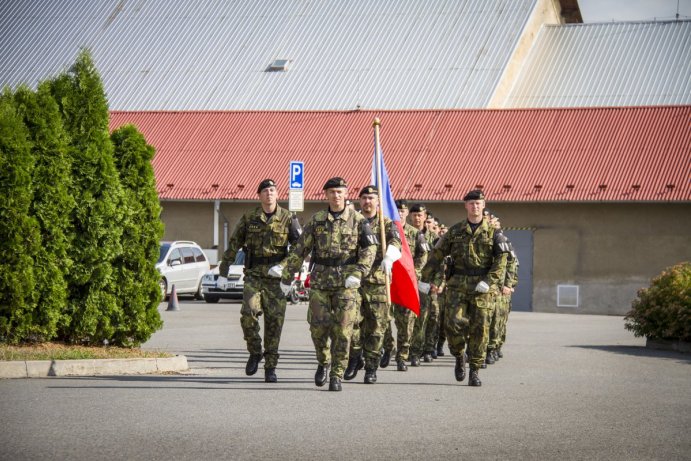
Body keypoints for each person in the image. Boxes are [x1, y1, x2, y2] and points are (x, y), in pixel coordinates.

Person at [280, 177, 376, 391]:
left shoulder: (359, 221)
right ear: (326, 195)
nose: (336, 195)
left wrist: (359, 272)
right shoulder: (317, 220)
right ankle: (323, 362)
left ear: (346, 194)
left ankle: (337, 374)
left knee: (343, 330)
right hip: (321, 282)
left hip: (347, 283)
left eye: (340, 191)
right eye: (332, 192)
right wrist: (287, 277)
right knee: (318, 328)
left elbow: (370, 250)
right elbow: (300, 250)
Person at [421, 189, 509, 386]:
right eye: (471, 203)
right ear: (465, 206)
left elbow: (501, 262)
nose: (475, 206)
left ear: (483, 205)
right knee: (452, 325)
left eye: (478, 203)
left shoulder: (495, 234)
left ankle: (475, 370)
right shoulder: (455, 231)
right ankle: (459, 355)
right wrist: (425, 278)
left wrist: (489, 280)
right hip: (458, 284)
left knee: (480, 329)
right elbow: (437, 254)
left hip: (483, 287)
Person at [218, 179, 301, 383]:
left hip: (276, 278)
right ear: (259, 195)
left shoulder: (288, 218)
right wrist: (223, 271)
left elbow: (300, 249)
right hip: (254, 273)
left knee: (274, 323)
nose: (269, 194)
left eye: (272, 190)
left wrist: (284, 269)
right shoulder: (250, 217)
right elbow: (234, 243)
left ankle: (270, 366)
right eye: (265, 191)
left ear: (277, 194)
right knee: (248, 313)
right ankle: (255, 351)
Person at [344, 186, 402, 383]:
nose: (368, 202)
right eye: (364, 198)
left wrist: (389, 256)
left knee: (377, 328)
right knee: (351, 323)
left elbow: (396, 242)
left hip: (378, 281)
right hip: (354, 281)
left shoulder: (386, 223)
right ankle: (355, 356)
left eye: (371, 198)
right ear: (359, 201)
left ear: (378, 201)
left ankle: (371, 367)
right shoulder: (352, 222)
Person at [381, 199, 429, 371]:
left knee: (405, 323)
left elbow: (423, 256)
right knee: (383, 318)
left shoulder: (415, 234)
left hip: (405, 282)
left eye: (402, 211)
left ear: (407, 213)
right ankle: (388, 347)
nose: (399, 213)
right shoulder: (383, 230)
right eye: (396, 210)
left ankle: (402, 355)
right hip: (385, 280)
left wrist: (413, 273)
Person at [409, 204, 437, 366]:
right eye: (414, 215)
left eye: (420, 215)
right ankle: (410, 350)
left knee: (427, 317)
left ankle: (425, 349)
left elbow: (440, 261)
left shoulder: (433, 238)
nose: (417, 218)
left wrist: (438, 282)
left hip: (426, 283)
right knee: (407, 319)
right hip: (409, 281)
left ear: (425, 216)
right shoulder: (405, 234)